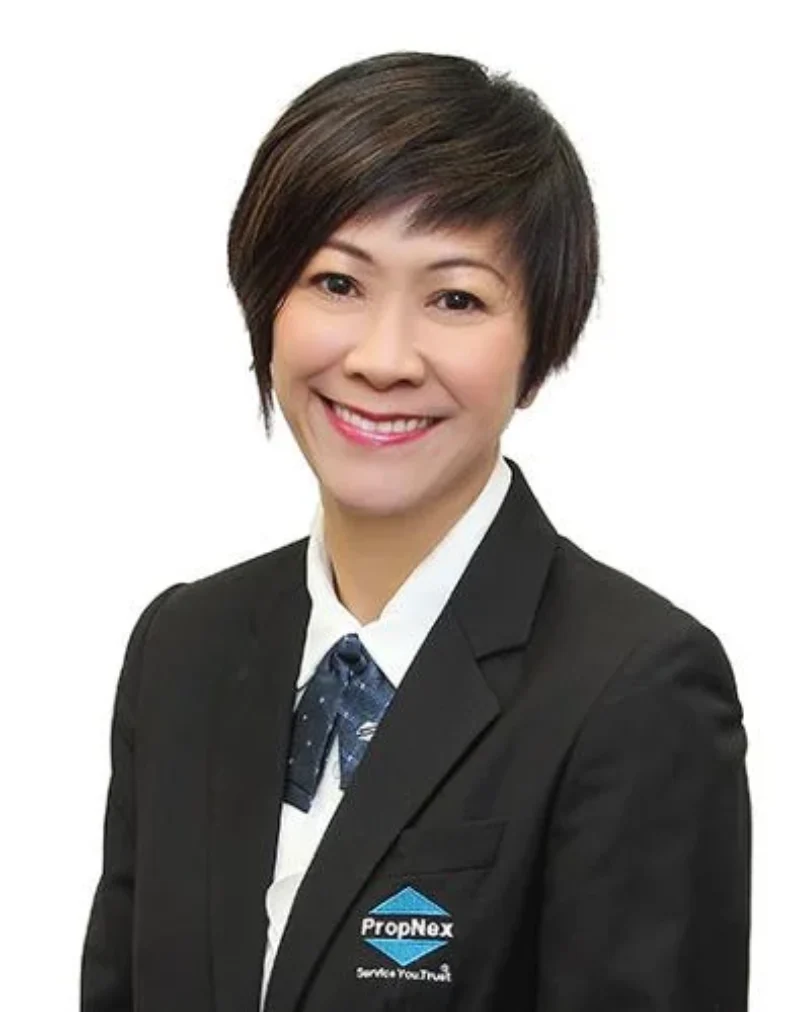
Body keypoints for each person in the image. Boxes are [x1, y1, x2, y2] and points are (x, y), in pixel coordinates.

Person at [80, 51, 750, 1011]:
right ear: (268, 304)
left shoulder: (636, 692)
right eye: (337, 283)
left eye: (456, 298)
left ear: (539, 347)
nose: (383, 358)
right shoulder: (182, 648)